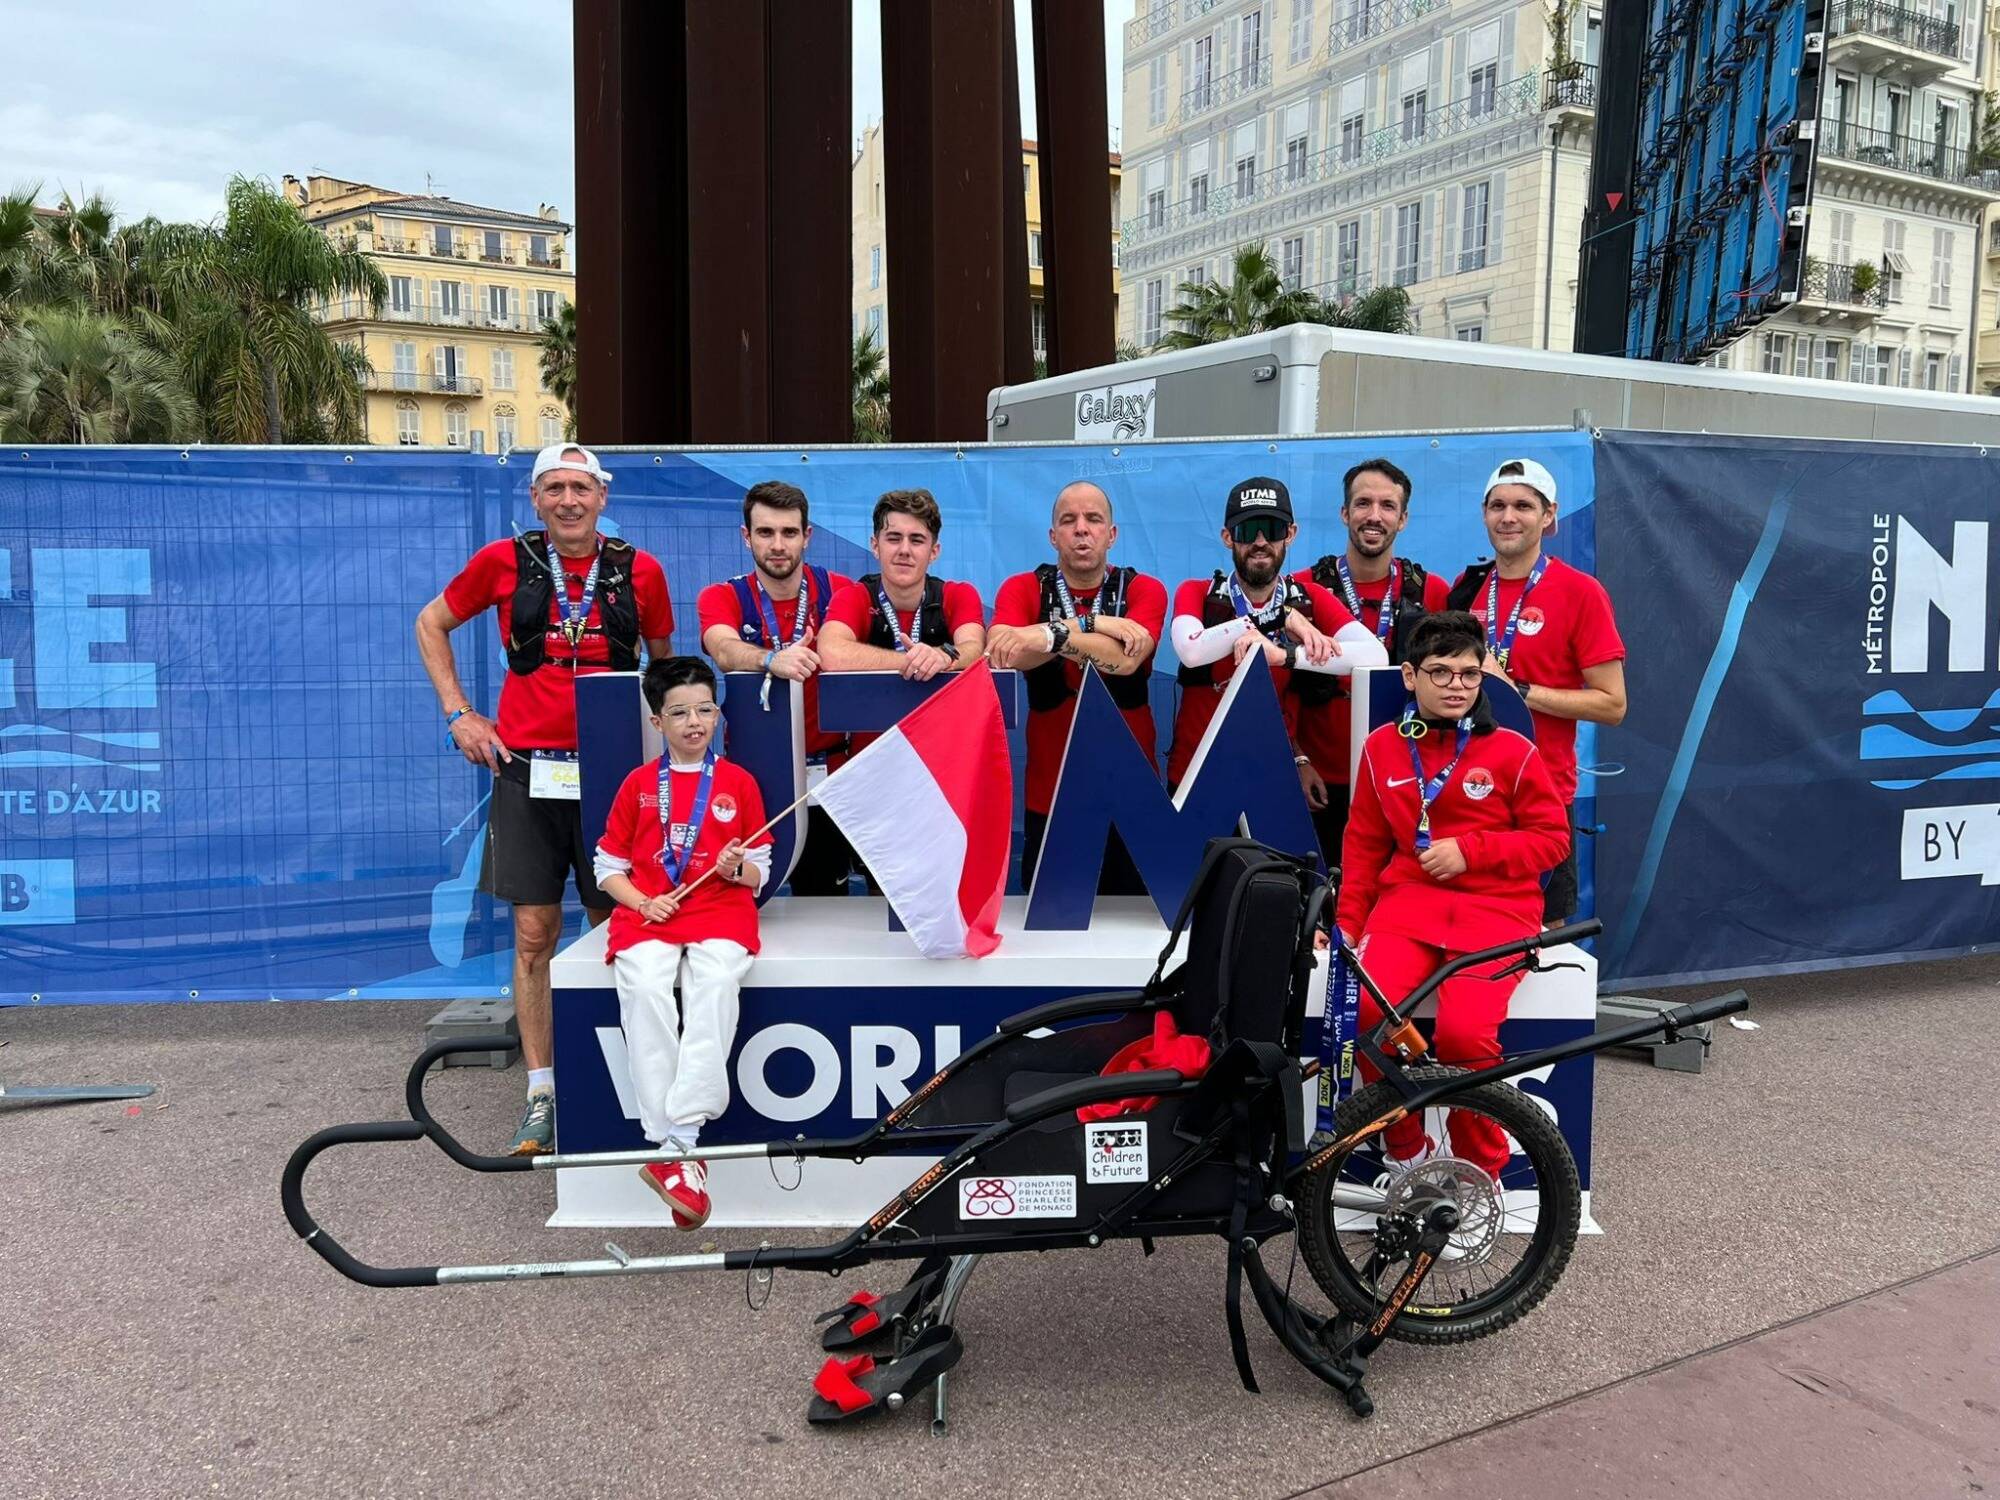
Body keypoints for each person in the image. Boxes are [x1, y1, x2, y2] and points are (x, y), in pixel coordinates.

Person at [416, 443, 674, 1157]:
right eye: (555, 487)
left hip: (614, 776)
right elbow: (430, 623)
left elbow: (662, 658)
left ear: (601, 496)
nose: (568, 500)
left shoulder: (639, 570)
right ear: (536, 500)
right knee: (534, 936)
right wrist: (458, 713)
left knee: (609, 929)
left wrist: (661, 737)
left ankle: (613, 1081)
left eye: (581, 488)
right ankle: (542, 1091)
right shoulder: (503, 561)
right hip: (529, 773)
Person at [1336, 611, 1570, 1181]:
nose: (1457, 686)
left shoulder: (1513, 751)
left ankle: (1478, 1168)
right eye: (1440, 672)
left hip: (1498, 914)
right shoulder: (1381, 748)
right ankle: (1407, 1149)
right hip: (1407, 910)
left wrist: (1473, 850)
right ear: (1410, 677)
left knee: (1466, 1034)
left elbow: (1552, 840)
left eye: (1469, 673)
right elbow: (1364, 847)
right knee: (1369, 1014)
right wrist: (1346, 923)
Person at [592, 657, 771, 1230]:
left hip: (720, 907)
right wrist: (641, 902)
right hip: (651, 912)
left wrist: (734, 867)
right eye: (679, 712)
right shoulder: (639, 785)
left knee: (715, 982)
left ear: (718, 714)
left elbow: (760, 872)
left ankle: (679, 1142)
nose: (694, 721)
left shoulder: (739, 783)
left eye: (704, 709)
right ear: (656, 722)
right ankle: (673, 1147)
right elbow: (607, 865)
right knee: (644, 984)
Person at [1447, 459, 1627, 924]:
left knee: (1543, 940)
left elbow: (1612, 704)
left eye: (1524, 506)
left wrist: (1518, 690)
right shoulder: (1465, 592)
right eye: (1498, 506)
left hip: (1540, 800)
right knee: (1469, 930)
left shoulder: (1580, 592)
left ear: (1549, 516)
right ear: (1484, 514)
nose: (1509, 517)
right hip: (1465, 795)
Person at [985, 481, 1168, 892]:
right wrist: (1093, 626)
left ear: (1112, 534)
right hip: (1051, 801)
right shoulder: (1023, 588)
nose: (1081, 529)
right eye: (1069, 521)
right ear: (1054, 536)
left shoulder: (1144, 589)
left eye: (1093, 519)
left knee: (1133, 937)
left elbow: (1126, 660)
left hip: (1131, 800)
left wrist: (1045, 635)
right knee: (1049, 939)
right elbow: (1004, 650)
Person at [1166, 475, 1386, 794]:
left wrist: (1284, 655)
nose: (1259, 542)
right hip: (1197, 776)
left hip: (1271, 777)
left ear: (1290, 535)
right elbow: (1191, 651)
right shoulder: (1198, 592)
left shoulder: (1310, 599)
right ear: (1228, 537)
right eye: (1246, 531)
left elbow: (1376, 656)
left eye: (1272, 530)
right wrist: (1275, 618)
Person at [697, 480, 857, 896]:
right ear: (746, 537)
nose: (778, 545)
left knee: (823, 905)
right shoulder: (722, 595)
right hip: (755, 778)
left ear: (807, 536)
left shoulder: (842, 591)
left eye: (789, 532)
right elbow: (722, 648)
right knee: (744, 902)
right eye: (765, 533)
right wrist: (770, 658)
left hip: (829, 772)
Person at [1296, 457, 1453, 865]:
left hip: (1401, 780)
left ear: (1402, 520)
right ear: (1345, 513)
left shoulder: (1432, 592)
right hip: (1319, 781)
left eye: (1387, 506)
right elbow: (1277, 688)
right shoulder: (1303, 588)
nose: (1374, 516)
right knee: (1317, 901)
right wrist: (1297, 758)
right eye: (1363, 503)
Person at [819, 488, 987, 762]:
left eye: (917, 540)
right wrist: (911, 661)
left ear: (934, 551)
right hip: (871, 767)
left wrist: (944, 656)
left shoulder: (958, 595)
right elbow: (831, 653)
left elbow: (974, 649)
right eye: (894, 538)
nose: (904, 550)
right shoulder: (854, 596)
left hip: (942, 766)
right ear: (875, 545)